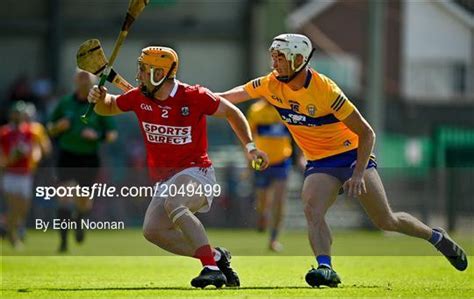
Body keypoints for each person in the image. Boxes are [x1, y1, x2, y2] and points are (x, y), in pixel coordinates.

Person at [218, 33, 468, 287]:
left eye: (280, 57)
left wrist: (358, 173)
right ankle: (325, 268)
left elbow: (366, 133)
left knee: (385, 221)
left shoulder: (325, 90)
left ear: (297, 59)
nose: (274, 63)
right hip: (320, 162)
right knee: (311, 209)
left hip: (351, 156)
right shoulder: (271, 84)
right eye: (273, 57)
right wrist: (198, 97)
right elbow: (232, 95)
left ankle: (436, 238)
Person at [87, 46, 269, 288]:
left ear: (158, 73)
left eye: (142, 69)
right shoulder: (139, 97)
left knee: (175, 202)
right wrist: (98, 98)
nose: (138, 74)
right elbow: (108, 106)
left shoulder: (194, 95)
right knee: (153, 230)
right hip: (165, 180)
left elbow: (233, 112)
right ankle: (215, 257)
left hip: (197, 172)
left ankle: (210, 269)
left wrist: (251, 148)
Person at [48, 70, 118, 252]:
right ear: (75, 80)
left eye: (87, 78)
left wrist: (98, 136)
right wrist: (58, 126)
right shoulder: (65, 103)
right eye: (81, 77)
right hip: (67, 154)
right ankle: (63, 242)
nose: (84, 80)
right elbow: (50, 128)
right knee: (64, 198)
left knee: (84, 202)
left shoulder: (100, 105)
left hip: (89, 157)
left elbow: (111, 135)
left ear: (94, 81)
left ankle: (79, 221)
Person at [246, 99, 292, 251]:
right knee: (262, 201)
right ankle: (263, 215)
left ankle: (273, 239)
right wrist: (249, 156)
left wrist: (301, 155)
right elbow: (248, 135)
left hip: (282, 160)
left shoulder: (287, 108)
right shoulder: (256, 110)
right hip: (261, 161)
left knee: (279, 201)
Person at [0, 101, 44, 248]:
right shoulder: (5, 132)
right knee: (13, 206)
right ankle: (12, 236)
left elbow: (36, 149)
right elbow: (3, 157)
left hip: (25, 174)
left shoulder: (30, 131)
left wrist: (35, 159)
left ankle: (10, 228)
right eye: (15, 113)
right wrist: (12, 157)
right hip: (11, 174)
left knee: (23, 208)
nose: (18, 116)